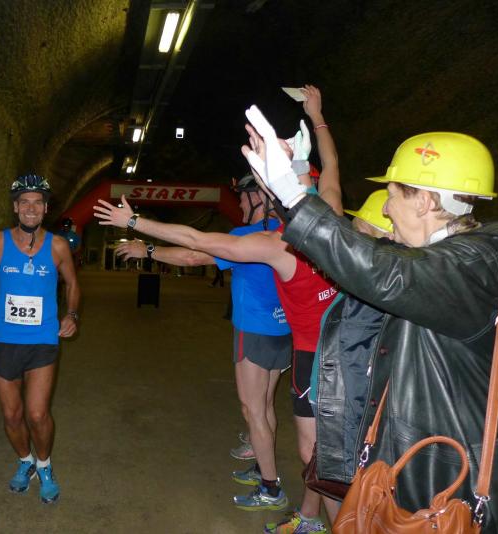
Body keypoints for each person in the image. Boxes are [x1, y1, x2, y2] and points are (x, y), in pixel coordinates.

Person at [243, 106, 498, 533]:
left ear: (426, 202)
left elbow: (382, 271)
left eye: (393, 194)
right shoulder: (450, 259)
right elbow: (360, 254)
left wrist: (294, 196)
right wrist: (297, 182)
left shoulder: (474, 265)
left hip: (450, 475)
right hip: (426, 456)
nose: (387, 210)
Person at [95, 85, 342, 534]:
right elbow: (333, 165)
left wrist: (134, 224)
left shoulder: (274, 242)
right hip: (329, 345)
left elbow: (195, 244)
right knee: (309, 441)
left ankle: (279, 492)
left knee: (298, 441)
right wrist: (317, 116)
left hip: (307, 352)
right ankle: (305, 512)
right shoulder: (333, 213)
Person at [115, 174, 293, 511]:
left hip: (254, 330)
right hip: (282, 330)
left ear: (258, 198)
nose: (238, 202)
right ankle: (263, 467)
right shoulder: (283, 232)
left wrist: (147, 248)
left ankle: (271, 488)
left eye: (243, 196)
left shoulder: (246, 236)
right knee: (267, 405)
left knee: (252, 409)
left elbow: (193, 255)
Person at [0, 173, 80, 505]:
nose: (30, 208)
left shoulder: (58, 246)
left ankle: (44, 466)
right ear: (15, 207)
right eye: (24, 202)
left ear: (45, 208)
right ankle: (25, 460)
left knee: (37, 414)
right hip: (5, 340)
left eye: (37, 202)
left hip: (43, 340)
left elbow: (72, 284)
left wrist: (71, 314)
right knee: (12, 416)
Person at [306, 189, 393, 505]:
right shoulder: (365, 282)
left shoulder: (373, 288)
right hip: (337, 399)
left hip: (345, 407)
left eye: (359, 232)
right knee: (329, 476)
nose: (352, 240)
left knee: (340, 485)